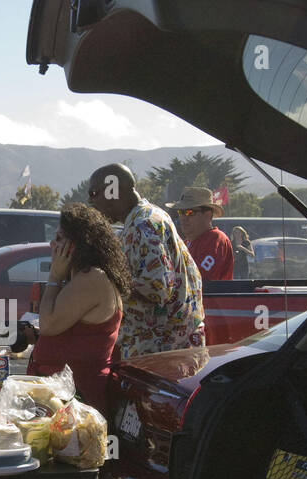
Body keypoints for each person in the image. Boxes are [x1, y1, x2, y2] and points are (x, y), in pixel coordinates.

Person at [86, 163, 204, 357]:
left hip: (160, 349)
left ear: (112, 191)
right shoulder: (145, 217)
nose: (91, 202)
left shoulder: (144, 224)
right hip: (161, 345)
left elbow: (157, 288)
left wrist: (105, 282)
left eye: (93, 193)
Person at [27, 203, 126, 413]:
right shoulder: (82, 277)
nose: (53, 244)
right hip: (63, 397)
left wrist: (54, 276)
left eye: (60, 238)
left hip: (79, 399)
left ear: (80, 244)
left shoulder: (93, 278)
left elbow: (49, 324)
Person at [177, 186, 233, 281]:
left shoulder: (216, 239)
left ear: (207, 215)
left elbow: (196, 279)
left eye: (189, 212)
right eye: (180, 212)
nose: (183, 218)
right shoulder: (186, 244)